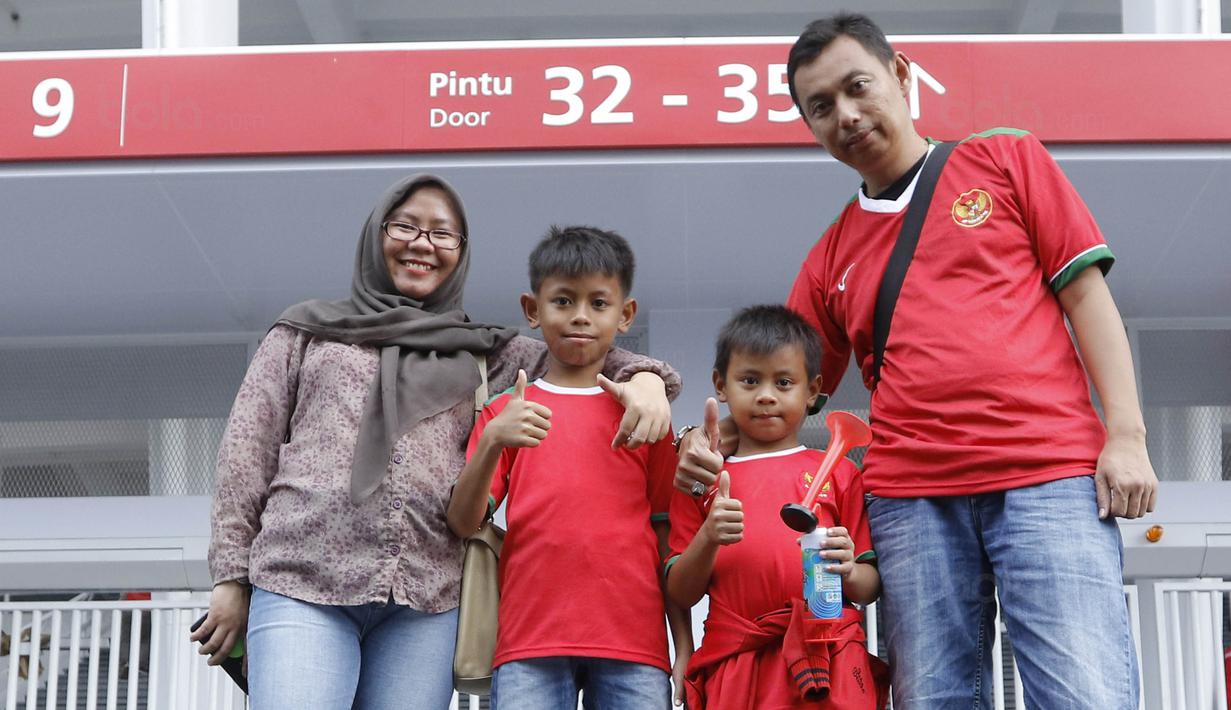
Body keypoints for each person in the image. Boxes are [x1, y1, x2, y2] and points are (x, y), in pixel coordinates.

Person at [677, 13, 1158, 709]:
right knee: (934, 700)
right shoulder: (831, 253)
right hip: (910, 499)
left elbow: (1085, 296)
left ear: (900, 75)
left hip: (1047, 474)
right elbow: (783, 382)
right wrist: (700, 439)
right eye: (821, 107)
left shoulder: (1005, 159)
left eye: (857, 87)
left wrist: (1126, 435)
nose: (846, 115)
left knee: (1085, 695)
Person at [192, 177, 680, 710]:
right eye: (405, 226)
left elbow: (584, 353)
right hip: (303, 579)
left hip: (425, 599)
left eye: (443, 234)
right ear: (376, 234)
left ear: (461, 252)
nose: (423, 244)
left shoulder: (486, 351)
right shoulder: (306, 333)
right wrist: (231, 578)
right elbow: (246, 454)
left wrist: (649, 379)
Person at [447, 225, 693, 709]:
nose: (581, 315)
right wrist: (493, 440)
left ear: (625, 315)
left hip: (634, 641)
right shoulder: (507, 411)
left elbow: (668, 536)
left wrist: (683, 643)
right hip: (528, 641)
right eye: (563, 301)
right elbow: (462, 521)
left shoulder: (645, 414)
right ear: (532, 309)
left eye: (598, 303)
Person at [666, 305, 887, 710]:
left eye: (784, 382)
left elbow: (869, 587)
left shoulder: (840, 473)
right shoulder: (701, 479)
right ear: (721, 385)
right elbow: (680, 593)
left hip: (828, 652)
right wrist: (709, 537)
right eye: (750, 380)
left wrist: (850, 570)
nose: (766, 395)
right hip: (738, 660)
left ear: (812, 390)